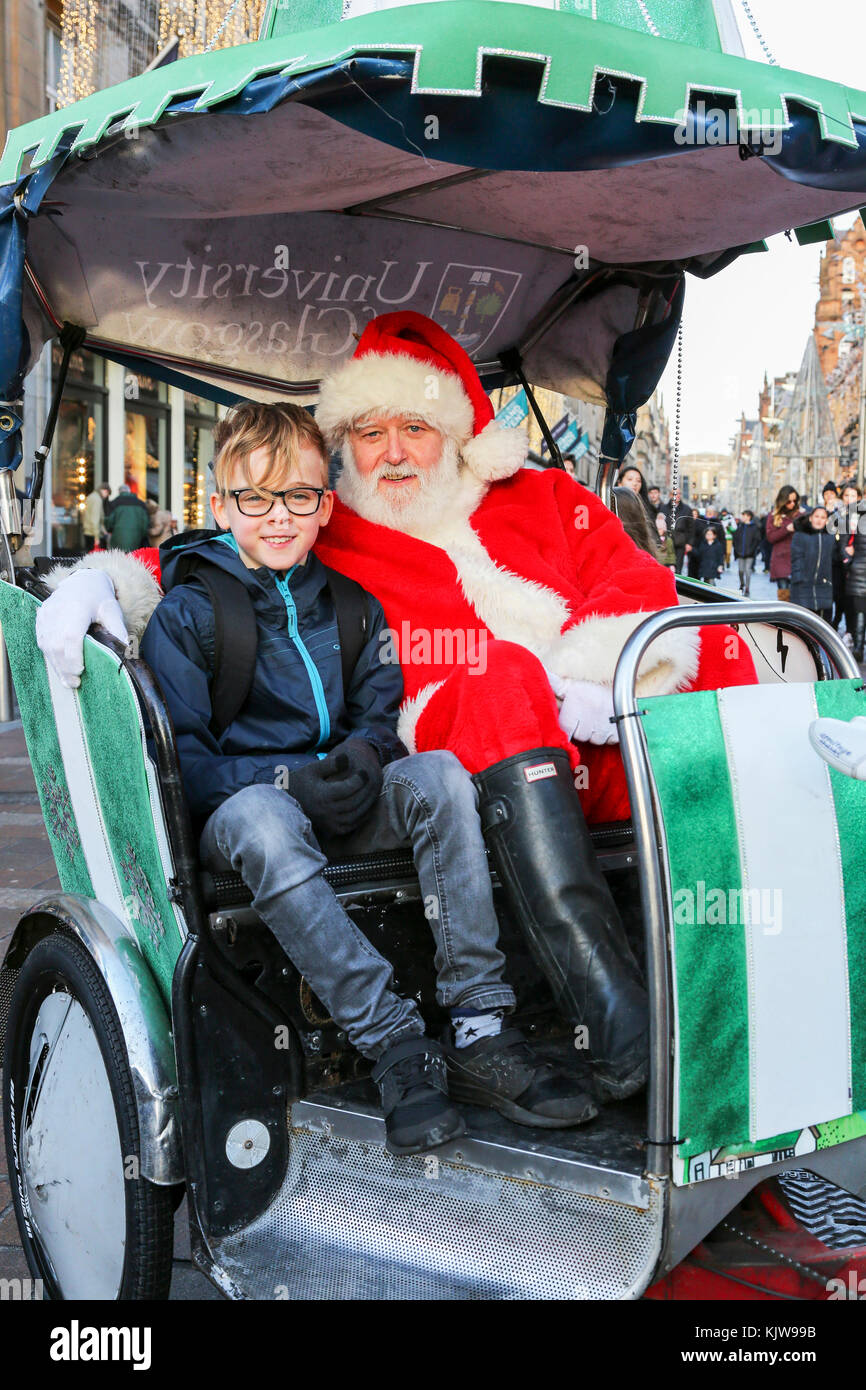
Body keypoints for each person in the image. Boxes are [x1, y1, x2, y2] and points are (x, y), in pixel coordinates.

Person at [36, 311, 758, 1101]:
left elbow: (636, 577)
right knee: (497, 679)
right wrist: (102, 580)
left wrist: (600, 668)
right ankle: (613, 1022)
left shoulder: (547, 498)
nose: (392, 452)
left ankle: (741, 974)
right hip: (458, 733)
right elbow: (211, 551)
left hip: (593, 727)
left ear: (455, 432)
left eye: (414, 425)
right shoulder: (328, 518)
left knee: (722, 649)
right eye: (369, 432)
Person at [140, 401, 593, 1153]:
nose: (277, 518)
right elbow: (185, 764)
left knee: (442, 775)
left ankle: (480, 1024)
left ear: (325, 505)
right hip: (243, 812)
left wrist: (365, 758)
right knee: (263, 821)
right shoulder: (189, 614)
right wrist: (291, 781)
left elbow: (380, 719)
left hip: (342, 795)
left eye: (298, 498)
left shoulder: (353, 607)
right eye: (254, 499)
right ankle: (394, 1042)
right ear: (221, 505)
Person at [790, 505, 834, 621]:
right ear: (810, 518)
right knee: (803, 622)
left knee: (823, 622)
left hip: (824, 585)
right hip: (803, 584)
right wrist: (799, 578)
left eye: (823, 517)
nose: (819, 520)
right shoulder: (800, 535)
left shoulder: (831, 537)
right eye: (817, 516)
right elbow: (796, 558)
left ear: (827, 521)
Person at [840, 484, 866, 661]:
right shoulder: (853, 517)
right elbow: (844, 544)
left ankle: (858, 647)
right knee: (859, 610)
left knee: (860, 611)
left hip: (857, 568)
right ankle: (857, 647)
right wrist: (849, 562)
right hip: (859, 569)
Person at [765, 485, 803, 601]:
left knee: (797, 596)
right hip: (781, 560)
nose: (792, 504)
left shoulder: (800, 515)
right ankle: (784, 619)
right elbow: (771, 537)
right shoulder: (773, 516)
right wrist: (787, 529)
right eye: (789, 501)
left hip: (798, 559)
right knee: (784, 595)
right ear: (783, 501)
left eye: (794, 501)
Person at [104, 482, 151, 552]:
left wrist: (110, 530)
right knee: (133, 559)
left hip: (117, 539)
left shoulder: (113, 503)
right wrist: (142, 535)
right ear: (129, 491)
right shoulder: (141, 504)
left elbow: (109, 522)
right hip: (136, 540)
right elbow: (145, 524)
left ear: (119, 492)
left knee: (119, 558)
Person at [732, 508, 760, 596]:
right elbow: (735, 538)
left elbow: (757, 540)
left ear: (748, 517)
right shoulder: (740, 526)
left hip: (750, 554)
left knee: (748, 571)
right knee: (740, 570)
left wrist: (753, 550)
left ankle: (747, 587)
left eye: (743, 516)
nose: (742, 517)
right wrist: (736, 548)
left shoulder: (754, 527)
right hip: (740, 553)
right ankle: (742, 583)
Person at [82, 483, 110, 552]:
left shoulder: (91, 496)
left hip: (88, 531)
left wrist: (104, 531)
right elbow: (95, 519)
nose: (106, 497)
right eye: (107, 494)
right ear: (105, 491)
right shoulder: (97, 500)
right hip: (93, 534)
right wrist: (96, 538)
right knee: (96, 559)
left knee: (88, 556)